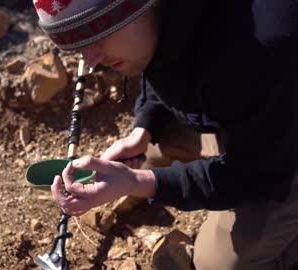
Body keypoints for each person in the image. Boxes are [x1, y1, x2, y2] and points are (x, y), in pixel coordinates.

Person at [32, 0, 298, 269]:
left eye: (97, 36)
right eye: (76, 46)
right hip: (254, 109)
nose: (91, 61)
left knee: (218, 264)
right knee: (152, 158)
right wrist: (145, 127)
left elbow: (259, 173)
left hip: (282, 146)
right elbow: (163, 56)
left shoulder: (262, 52)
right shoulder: (158, 19)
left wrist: (138, 181)